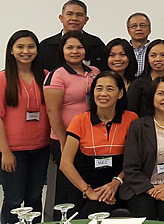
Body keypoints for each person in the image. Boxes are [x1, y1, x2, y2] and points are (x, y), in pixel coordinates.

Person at [59, 71, 138, 218]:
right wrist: (88, 191)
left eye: (110, 89)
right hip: (86, 186)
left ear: (120, 93)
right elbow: (65, 163)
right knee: (78, 216)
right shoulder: (80, 120)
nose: (103, 93)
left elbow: (136, 160)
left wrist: (116, 182)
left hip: (121, 185)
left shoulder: (131, 119)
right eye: (99, 88)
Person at [44, 31, 102, 218]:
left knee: (85, 185)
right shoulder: (57, 75)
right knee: (67, 190)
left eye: (79, 47)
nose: (75, 51)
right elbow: (52, 111)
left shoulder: (94, 73)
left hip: (90, 139)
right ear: (62, 50)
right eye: (69, 47)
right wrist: (63, 142)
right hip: (66, 140)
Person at [120, 77, 164, 222]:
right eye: (160, 93)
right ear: (151, 96)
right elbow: (130, 167)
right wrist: (152, 190)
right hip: (141, 187)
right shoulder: (138, 126)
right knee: (146, 216)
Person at [0, 30, 50, 224]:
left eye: (31, 46)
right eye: (20, 47)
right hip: (13, 151)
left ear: (37, 50)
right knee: (13, 199)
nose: (26, 51)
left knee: (34, 198)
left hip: (41, 148)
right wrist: (5, 152)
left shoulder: (45, 76)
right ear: (11, 51)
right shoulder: (3, 78)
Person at [39, 0, 106, 71]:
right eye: (69, 14)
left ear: (86, 20)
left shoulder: (96, 44)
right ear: (61, 18)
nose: (74, 18)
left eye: (79, 15)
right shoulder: (46, 45)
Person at [127, 40, 164, 117]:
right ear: (147, 59)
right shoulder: (137, 84)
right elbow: (131, 114)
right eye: (153, 55)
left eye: (163, 55)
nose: (158, 59)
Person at [126, 12, 152, 77]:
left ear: (149, 29)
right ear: (128, 30)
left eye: (142, 25)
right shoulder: (124, 49)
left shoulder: (154, 49)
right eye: (134, 26)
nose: (138, 29)